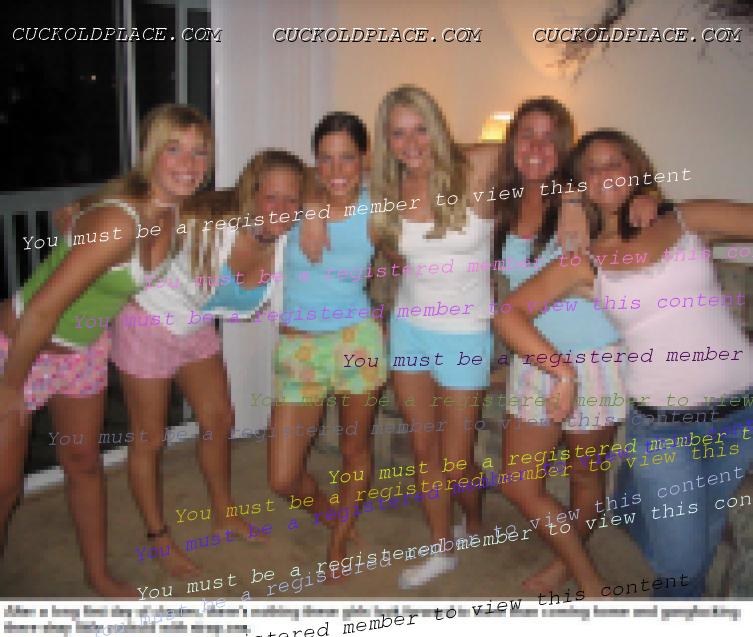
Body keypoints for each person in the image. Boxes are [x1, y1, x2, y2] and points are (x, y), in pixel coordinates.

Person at [494, 127, 753, 597]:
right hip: (665, 426)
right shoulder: (584, 259)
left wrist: (655, 199)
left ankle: (630, 503)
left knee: (701, 534)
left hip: (741, 413)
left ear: (635, 168)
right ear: (580, 185)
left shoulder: (684, 219)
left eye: (614, 162)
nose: (604, 174)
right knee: (682, 568)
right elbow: (508, 314)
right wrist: (561, 371)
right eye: (591, 169)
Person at [0, 103, 212, 597]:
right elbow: (41, 312)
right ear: (150, 154)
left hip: (83, 350)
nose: (188, 163)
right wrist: (11, 387)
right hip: (19, 349)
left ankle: (97, 575)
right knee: (6, 488)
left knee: (83, 463)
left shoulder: (173, 214)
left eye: (199, 152)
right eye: (174, 149)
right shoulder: (121, 220)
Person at [110, 149, 305, 578]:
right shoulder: (206, 223)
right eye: (272, 197)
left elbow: (287, 317)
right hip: (147, 321)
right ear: (251, 193)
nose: (282, 208)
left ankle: (224, 514)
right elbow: (136, 208)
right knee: (149, 437)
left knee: (219, 419)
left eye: (292, 199)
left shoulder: (287, 245)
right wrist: (86, 213)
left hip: (195, 325)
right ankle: (159, 538)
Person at [370, 85, 498, 589]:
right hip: (409, 331)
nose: (411, 144)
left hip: (465, 334)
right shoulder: (387, 188)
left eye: (421, 129)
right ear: (386, 140)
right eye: (398, 134)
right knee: (424, 449)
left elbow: (544, 154)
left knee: (456, 460)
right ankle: (442, 548)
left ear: (438, 127)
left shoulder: (476, 171)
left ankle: (475, 518)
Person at [267, 113, 387, 575]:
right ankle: (331, 513)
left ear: (365, 159)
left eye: (348, 158)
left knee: (354, 449)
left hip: (357, 341)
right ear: (314, 161)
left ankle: (338, 540)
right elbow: (223, 203)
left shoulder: (379, 207)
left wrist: (572, 198)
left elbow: (453, 162)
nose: (337, 171)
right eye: (326, 159)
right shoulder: (293, 200)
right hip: (299, 348)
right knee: (282, 477)